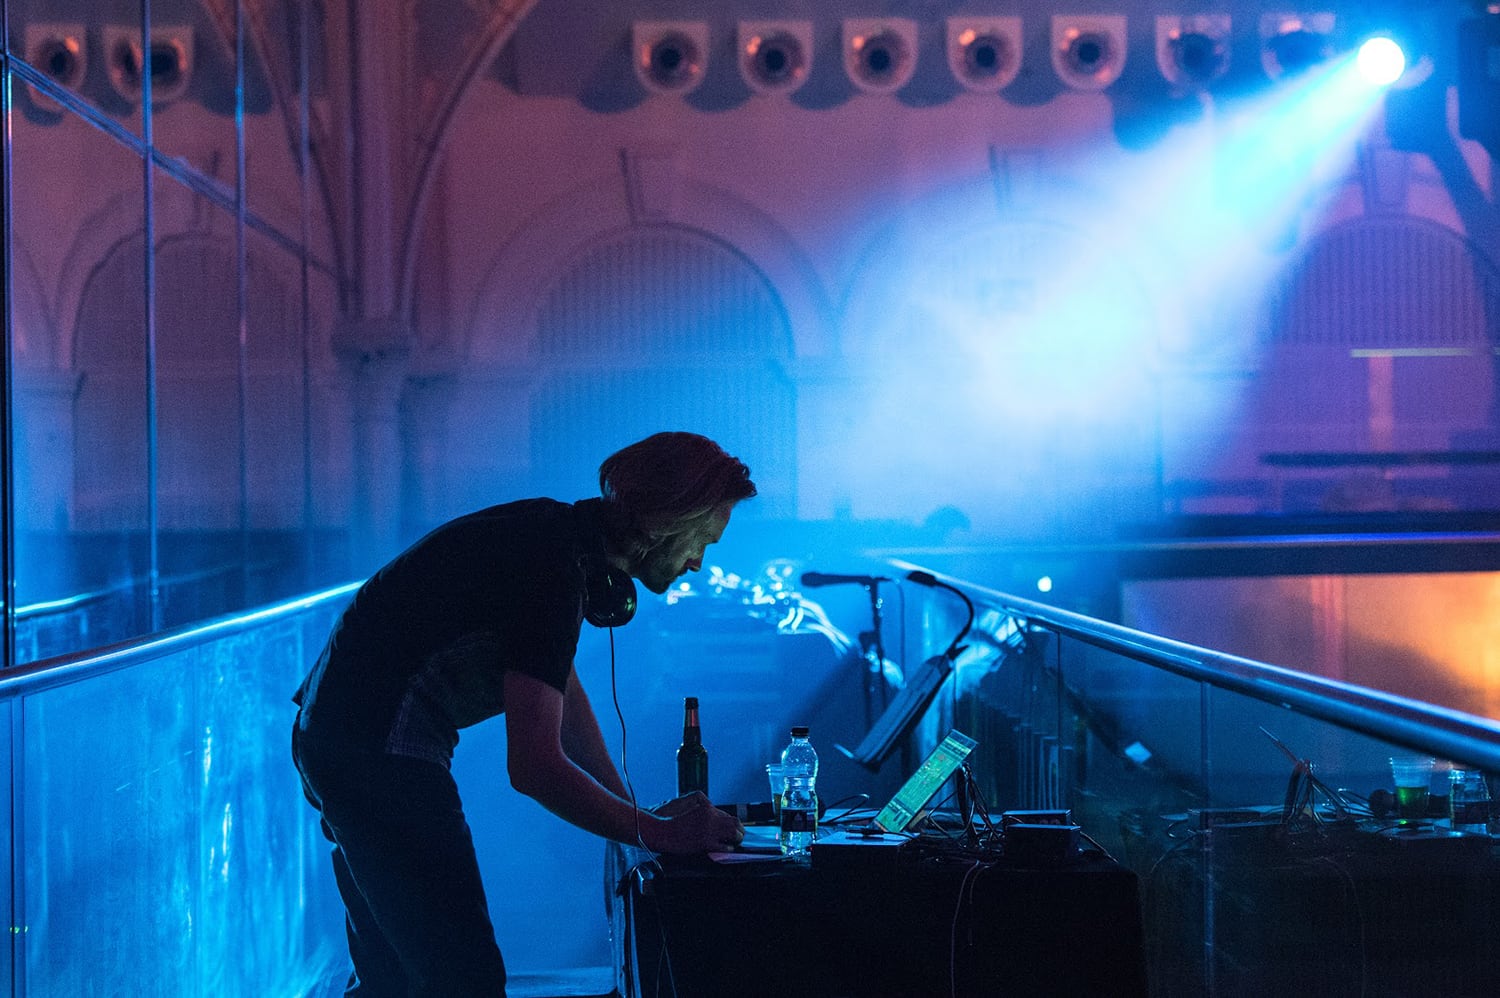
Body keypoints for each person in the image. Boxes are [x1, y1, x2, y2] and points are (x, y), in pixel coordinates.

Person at [291, 431, 756, 996]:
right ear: (665, 521)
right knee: (462, 981)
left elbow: (558, 687)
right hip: (377, 746)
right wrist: (656, 832)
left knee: (396, 981)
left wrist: (632, 815)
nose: (698, 564)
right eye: (701, 541)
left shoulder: (554, 539)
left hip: (337, 736)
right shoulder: (550, 570)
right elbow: (534, 768)